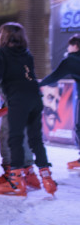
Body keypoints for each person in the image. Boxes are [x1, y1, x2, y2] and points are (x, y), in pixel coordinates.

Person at [0, 22, 57, 196]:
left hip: (18, 100)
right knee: (36, 140)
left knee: (15, 138)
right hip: (35, 98)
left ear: (4, 37)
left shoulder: (3, 54)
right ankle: (47, 179)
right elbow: (29, 75)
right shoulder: (26, 54)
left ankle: (15, 182)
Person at [39, 34, 80, 171]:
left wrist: (36, 85)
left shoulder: (71, 59)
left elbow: (54, 77)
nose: (68, 48)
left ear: (75, 46)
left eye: (69, 45)